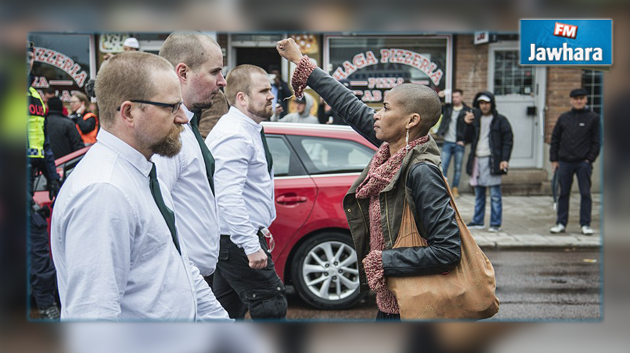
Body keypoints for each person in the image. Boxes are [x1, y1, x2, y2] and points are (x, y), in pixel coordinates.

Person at [276, 38, 461, 321]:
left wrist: (383, 261)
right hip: (391, 304)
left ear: (411, 121)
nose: (377, 114)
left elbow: (448, 250)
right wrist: (303, 63)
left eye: (386, 108)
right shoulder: (392, 152)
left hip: (413, 310)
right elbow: (349, 106)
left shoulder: (421, 170)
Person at [50, 51, 230, 321]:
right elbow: (93, 320)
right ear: (129, 112)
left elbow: (178, 263)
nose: (182, 118)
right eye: (171, 107)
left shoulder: (143, 171)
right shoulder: (104, 192)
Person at [206, 64, 288, 320]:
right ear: (242, 98)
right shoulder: (236, 135)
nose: (272, 96)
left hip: (233, 241)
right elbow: (227, 196)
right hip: (237, 241)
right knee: (271, 304)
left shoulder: (246, 128)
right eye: (263, 91)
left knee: (223, 313)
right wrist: (251, 245)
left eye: (270, 89)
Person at [154, 32, 228, 292]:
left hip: (192, 276)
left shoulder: (187, 123)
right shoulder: (166, 133)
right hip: (181, 278)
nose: (222, 81)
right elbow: (158, 214)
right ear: (182, 73)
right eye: (215, 71)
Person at [27, 41, 61, 320]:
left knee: (38, 248)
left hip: (30, 177)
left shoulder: (34, 97)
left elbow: (44, 143)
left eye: (29, 57)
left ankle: (46, 305)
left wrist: (53, 178)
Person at [549, 88, 601, 235]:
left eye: (581, 98)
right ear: (571, 100)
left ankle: (585, 224)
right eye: (576, 98)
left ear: (586, 100)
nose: (578, 101)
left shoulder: (593, 118)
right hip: (564, 162)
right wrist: (554, 159)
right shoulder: (564, 118)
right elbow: (555, 139)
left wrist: (589, 159)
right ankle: (561, 223)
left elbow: (597, 141)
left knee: (585, 193)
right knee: (563, 193)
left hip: (583, 163)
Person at [463, 91, 514, 232]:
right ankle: (478, 221)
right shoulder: (475, 119)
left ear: (492, 104)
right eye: (481, 103)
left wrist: (504, 159)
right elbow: (466, 138)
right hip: (476, 159)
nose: (484, 106)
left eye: (487, 103)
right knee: (478, 192)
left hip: (492, 160)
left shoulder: (500, 120)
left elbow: (508, 141)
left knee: (495, 194)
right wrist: (467, 123)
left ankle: (495, 223)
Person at [436, 89, 471, 198]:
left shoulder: (467, 110)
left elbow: (471, 129)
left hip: (459, 144)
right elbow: (436, 107)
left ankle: (455, 189)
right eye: (453, 97)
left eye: (457, 97)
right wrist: (440, 97)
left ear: (462, 97)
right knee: (443, 167)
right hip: (447, 142)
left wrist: (465, 141)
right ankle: (444, 189)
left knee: (458, 168)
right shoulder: (448, 108)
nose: (455, 99)